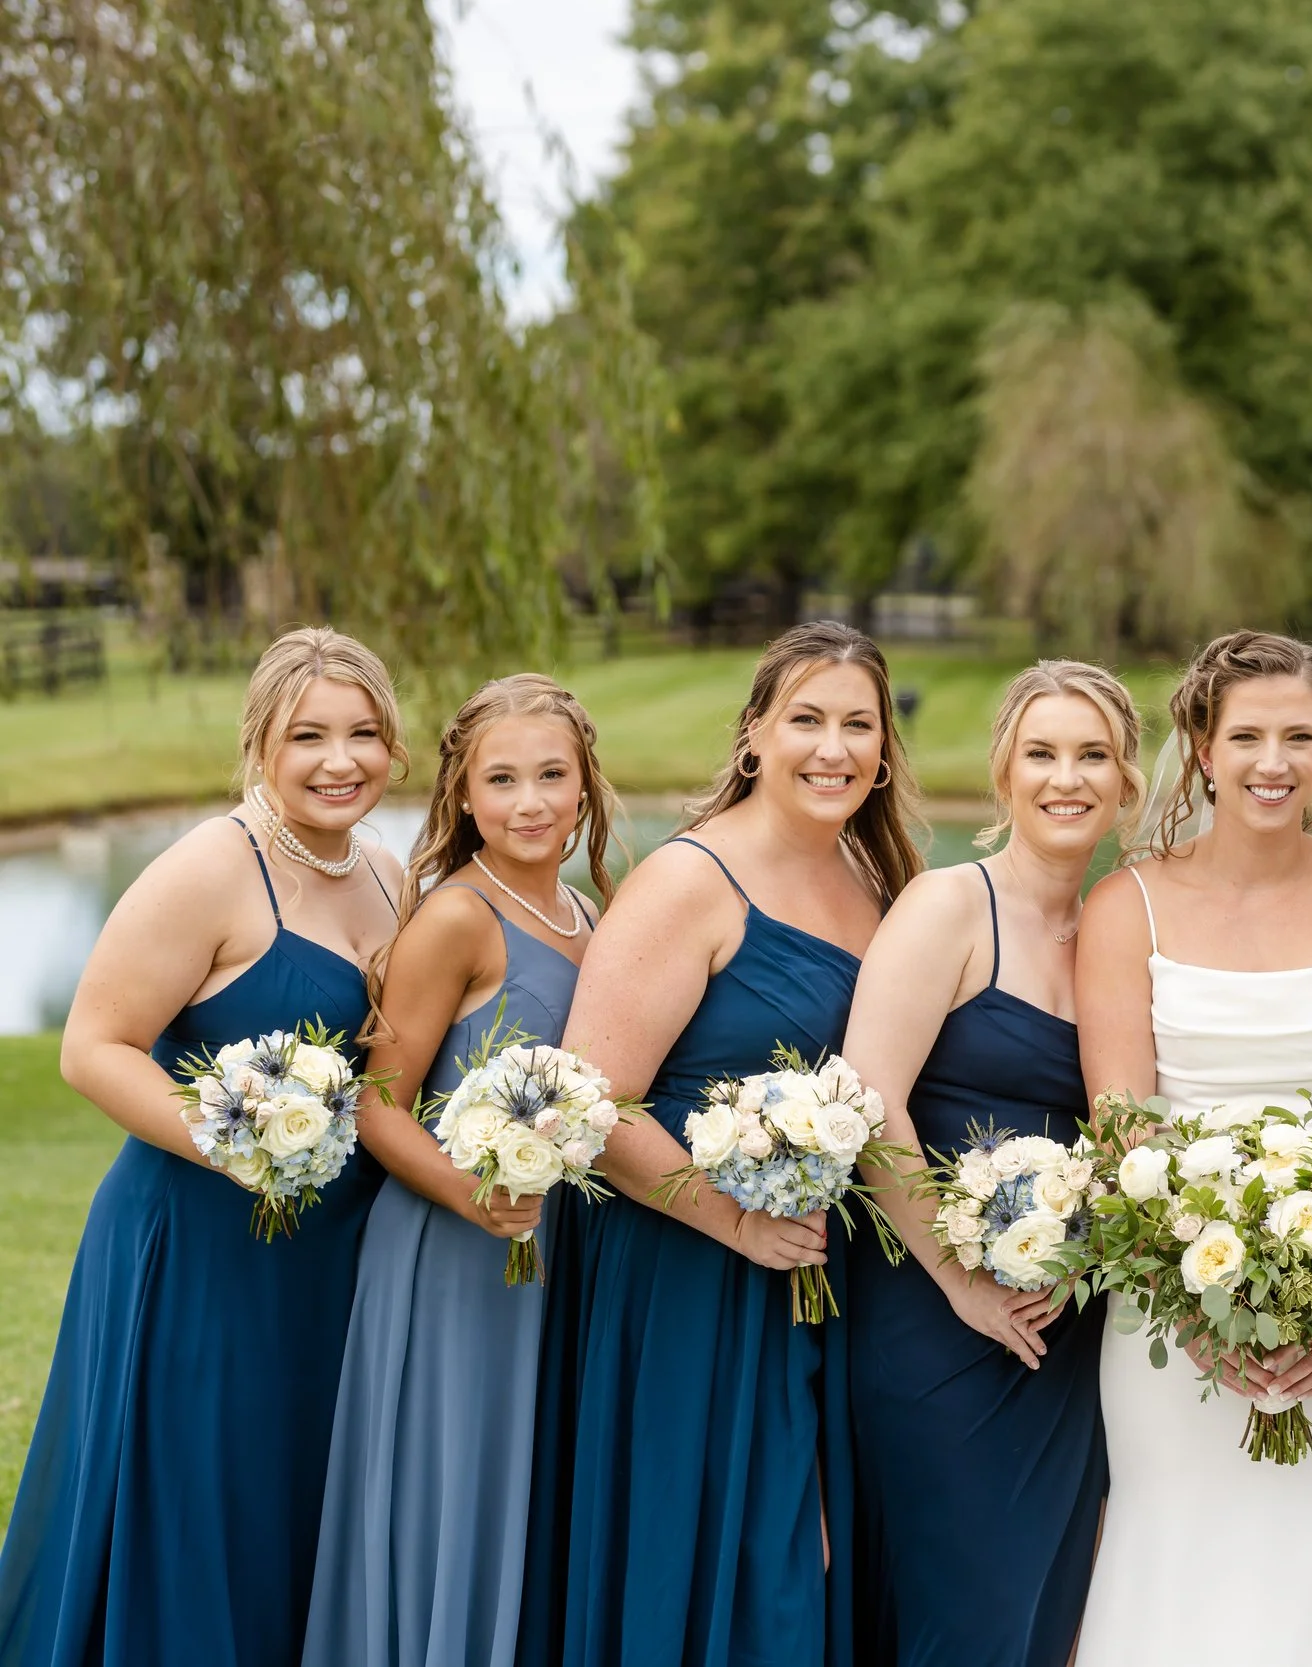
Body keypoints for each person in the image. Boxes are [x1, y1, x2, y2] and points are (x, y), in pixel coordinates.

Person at [0, 627, 405, 1667]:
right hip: (201, 1243)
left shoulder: (387, 874)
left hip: (328, 1258)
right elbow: (93, 1048)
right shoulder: (211, 868)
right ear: (260, 739)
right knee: (200, 1499)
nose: (340, 759)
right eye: (308, 734)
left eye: (364, 733)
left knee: (293, 1497)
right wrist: (241, 1143)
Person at [1070, 631, 1312, 1667]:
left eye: (1296, 736)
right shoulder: (1126, 904)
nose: (1272, 762)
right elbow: (1122, 1124)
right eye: (1245, 737)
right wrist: (1196, 1306)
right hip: (1173, 1309)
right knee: (1174, 1570)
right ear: (1202, 746)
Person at [556, 621, 920, 1667]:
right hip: (690, 1271)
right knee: (729, 1547)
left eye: (858, 724)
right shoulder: (691, 879)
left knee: (803, 1556)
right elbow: (592, 1099)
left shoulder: (875, 878)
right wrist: (735, 1220)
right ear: (754, 733)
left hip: (817, 1267)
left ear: (884, 749)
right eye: (806, 718)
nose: (833, 747)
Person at [301, 674, 622, 1667]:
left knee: (531, 1480)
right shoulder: (456, 918)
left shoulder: (591, 912)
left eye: (551, 775)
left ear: (584, 785)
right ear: (465, 795)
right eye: (502, 779)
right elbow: (375, 1102)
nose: (530, 801)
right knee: (459, 1483)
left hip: (557, 1248)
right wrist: (473, 1196)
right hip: (455, 1246)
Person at [846, 661, 1143, 1667]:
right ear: (1004, 772)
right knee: (962, 1612)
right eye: (1041, 753)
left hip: (1066, 1327)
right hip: (935, 1315)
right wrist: (959, 1278)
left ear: (1125, 780)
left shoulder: (1117, 929)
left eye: (1092, 755)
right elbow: (869, 1099)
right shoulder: (948, 904)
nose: (1067, 777)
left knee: (1040, 1618)